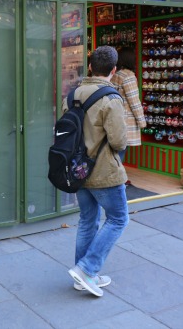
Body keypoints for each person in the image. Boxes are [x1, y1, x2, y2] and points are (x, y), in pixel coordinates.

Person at [63, 45, 128, 298]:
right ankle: (87, 269)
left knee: (88, 220)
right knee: (119, 218)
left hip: (78, 171)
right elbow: (119, 141)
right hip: (104, 172)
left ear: (90, 67)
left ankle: (82, 275)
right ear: (113, 70)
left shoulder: (72, 96)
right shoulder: (111, 98)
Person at [111, 47, 146, 163]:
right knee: (120, 152)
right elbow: (134, 102)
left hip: (115, 118)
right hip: (126, 121)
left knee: (115, 152)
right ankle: (116, 179)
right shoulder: (128, 76)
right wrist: (142, 122)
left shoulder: (115, 75)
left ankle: (115, 178)